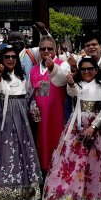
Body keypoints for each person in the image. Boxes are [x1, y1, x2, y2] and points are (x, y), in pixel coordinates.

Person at [43, 56, 101, 200]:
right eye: (83, 69)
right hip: (75, 128)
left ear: (96, 70)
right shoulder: (76, 85)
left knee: (92, 166)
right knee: (68, 164)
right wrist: (71, 82)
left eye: (90, 69)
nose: (87, 72)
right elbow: (72, 92)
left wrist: (94, 126)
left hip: (95, 130)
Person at [0, 47, 44, 200]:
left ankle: (23, 196)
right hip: (0, 118)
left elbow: (30, 95)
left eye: (13, 57)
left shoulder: (22, 76)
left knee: (21, 153)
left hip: (21, 119)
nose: (10, 59)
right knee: (0, 154)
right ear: (1, 59)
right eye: (7, 57)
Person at [28, 36, 70, 175]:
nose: (46, 51)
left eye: (50, 48)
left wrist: (52, 67)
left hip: (56, 115)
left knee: (57, 145)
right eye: (43, 49)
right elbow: (29, 92)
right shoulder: (33, 70)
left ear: (56, 49)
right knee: (40, 146)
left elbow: (63, 80)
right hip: (39, 117)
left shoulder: (62, 64)